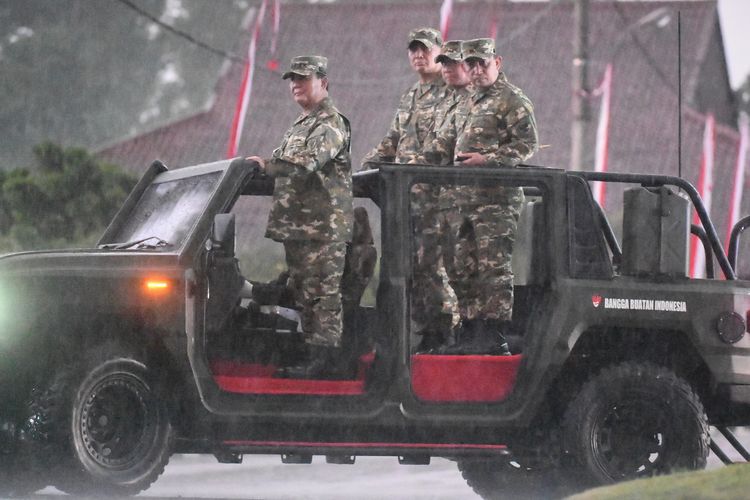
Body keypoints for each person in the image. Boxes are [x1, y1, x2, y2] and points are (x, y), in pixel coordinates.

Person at [424, 38, 538, 355]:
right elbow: (444, 144)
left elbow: (526, 145)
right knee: (460, 266)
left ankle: (494, 333)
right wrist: (414, 163)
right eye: (471, 64)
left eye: (482, 64)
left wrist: (487, 160)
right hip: (464, 200)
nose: (476, 71)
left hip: (496, 201)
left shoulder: (513, 100)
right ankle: (471, 330)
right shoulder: (468, 102)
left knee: (493, 268)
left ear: (497, 63)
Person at [247, 55, 353, 378]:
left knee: (322, 296)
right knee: (305, 294)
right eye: (293, 79)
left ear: (324, 83)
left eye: (303, 78)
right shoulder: (301, 124)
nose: (296, 85)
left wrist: (266, 165)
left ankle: (326, 363)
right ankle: (312, 359)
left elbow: (306, 162)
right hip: (300, 228)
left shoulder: (331, 122)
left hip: (323, 228)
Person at [362, 27, 453, 353]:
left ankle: (442, 332)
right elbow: (392, 141)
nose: (418, 55)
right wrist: (366, 166)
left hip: (434, 198)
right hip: (404, 200)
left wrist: (413, 167)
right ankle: (420, 332)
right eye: (413, 49)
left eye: (424, 49)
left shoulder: (451, 93)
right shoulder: (411, 95)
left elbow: (449, 143)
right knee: (407, 267)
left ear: (440, 52)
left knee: (431, 264)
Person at [410, 40, 473, 353]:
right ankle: (441, 333)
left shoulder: (491, 100)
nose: (447, 69)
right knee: (433, 266)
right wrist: (406, 168)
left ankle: (464, 335)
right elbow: (438, 147)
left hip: (476, 203)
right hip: (443, 199)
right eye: (444, 63)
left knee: (465, 271)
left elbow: (522, 144)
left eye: (453, 63)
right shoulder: (453, 104)